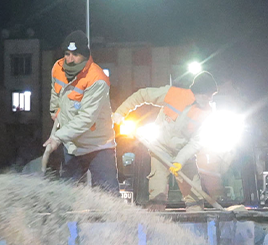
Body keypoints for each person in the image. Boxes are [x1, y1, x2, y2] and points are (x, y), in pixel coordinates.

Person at [112, 71, 219, 208]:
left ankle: (196, 222)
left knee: (195, 198)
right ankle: (158, 223)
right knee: (157, 194)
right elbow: (142, 95)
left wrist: (179, 161)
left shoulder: (207, 113)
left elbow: (196, 142)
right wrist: (121, 112)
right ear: (201, 92)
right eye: (209, 95)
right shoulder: (173, 94)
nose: (210, 99)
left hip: (185, 155)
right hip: (160, 150)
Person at [45, 31, 117, 193]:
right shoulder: (57, 68)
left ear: (84, 55)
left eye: (75, 55)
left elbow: (86, 118)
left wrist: (58, 136)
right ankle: (62, 218)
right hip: (73, 146)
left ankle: (111, 218)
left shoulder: (97, 79)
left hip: (98, 145)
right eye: (67, 54)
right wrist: (54, 110)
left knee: (108, 196)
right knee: (65, 195)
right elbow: (55, 92)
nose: (70, 59)